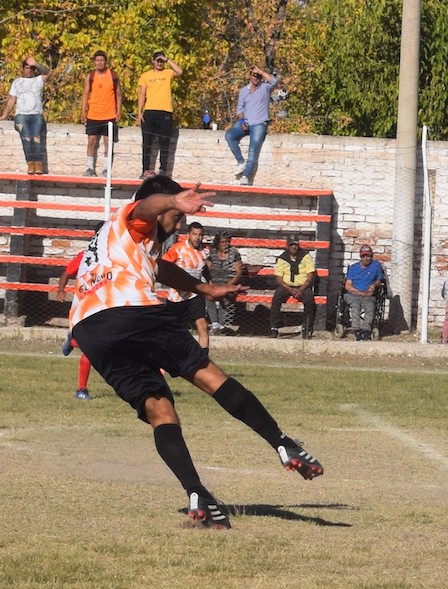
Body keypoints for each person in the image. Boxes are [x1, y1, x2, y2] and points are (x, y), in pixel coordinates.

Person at [68, 176, 323, 529]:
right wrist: (172, 200)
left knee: (159, 408)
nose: (180, 222)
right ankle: (282, 443)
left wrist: (205, 289)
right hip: (129, 309)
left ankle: (197, 493)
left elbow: (162, 268)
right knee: (210, 377)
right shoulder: (135, 217)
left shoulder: (121, 241)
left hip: (89, 328)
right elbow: (145, 207)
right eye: (176, 215)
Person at [225, 65, 279, 185]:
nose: (256, 78)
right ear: (249, 77)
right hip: (245, 122)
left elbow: (274, 80)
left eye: (258, 76)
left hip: (259, 123)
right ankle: (240, 161)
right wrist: (242, 120)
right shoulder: (244, 90)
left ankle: (246, 176)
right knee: (229, 135)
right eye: (254, 76)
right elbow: (239, 109)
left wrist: (260, 71)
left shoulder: (265, 88)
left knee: (253, 151)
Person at [162, 221, 211, 350]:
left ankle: (203, 363)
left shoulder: (205, 251)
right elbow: (163, 266)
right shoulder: (177, 249)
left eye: (200, 235)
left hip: (195, 292)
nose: (197, 237)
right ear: (189, 234)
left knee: (203, 326)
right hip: (176, 295)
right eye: (194, 234)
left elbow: (204, 268)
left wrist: (210, 285)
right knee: (172, 331)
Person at [56, 248, 96, 400]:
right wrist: (60, 290)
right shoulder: (85, 255)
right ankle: (81, 389)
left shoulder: (118, 255)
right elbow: (66, 273)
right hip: (84, 307)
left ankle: (73, 341)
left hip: (105, 304)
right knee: (91, 347)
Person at [0, 56, 51, 174]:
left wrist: (36, 63)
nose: (29, 70)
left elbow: (49, 73)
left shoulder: (38, 80)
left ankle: (38, 164)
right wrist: (4, 115)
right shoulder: (17, 82)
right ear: (23, 69)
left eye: (32, 68)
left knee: (36, 137)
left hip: (36, 114)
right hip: (21, 115)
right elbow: (11, 100)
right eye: (27, 68)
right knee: (26, 138)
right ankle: (30, 163)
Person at [137, 51, 183, 179]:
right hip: (150, 111)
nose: (159, 63)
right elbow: (142, 94)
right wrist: (139, 112)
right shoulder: (146, 76)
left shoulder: (168, 73)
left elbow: (179, 72)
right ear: (153, 61)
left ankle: (163, 171)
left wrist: (167, 59)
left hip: (165, 112)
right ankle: (145, 170)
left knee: (164, 143)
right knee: (147, 142)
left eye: (161, 61)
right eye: (157, 60)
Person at [80, 50, 122, 177]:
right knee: (91, 141)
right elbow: (85, 94)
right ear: (94, 62)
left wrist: (118, 110)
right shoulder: (91, 76)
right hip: (93, 115)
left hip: (109, 115)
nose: (99, 63)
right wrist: (83, 111)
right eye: (97, 60)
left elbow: (119, 94)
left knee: (108, 143)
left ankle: (106, 169)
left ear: (105, 62)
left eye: (102, 60)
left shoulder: (113, 75)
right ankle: (90, 168)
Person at [269, 234, 316, 339]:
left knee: (310, 301)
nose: (294, 247)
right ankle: (274, 328)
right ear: (287, 246)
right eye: (291, 245)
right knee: (276, 298)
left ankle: (307, 327)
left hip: (303, 286)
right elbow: (279, 278)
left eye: (295, 245)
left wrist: (301, 289)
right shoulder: (282, 259)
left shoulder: (305, 256)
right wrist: (289, 289)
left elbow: (310, 275)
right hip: (287, 286)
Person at [344, 245, 385, 341]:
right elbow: (348, 286)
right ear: (360, 257)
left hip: (368, 295)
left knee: (370, 308)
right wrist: (359, 293)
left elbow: (379, 279)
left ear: (372, 256)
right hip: (353, 294)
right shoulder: (354, 268)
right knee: (355, 307)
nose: (366, 258)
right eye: (364, 256)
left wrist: (373, 285)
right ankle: (357, 330)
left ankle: (366, 331)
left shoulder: (376, 266)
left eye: (369, 256)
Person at [206, 231, 243, 333]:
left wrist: (228, 285)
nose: (225, 244)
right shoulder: (212, 252)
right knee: (208, 294)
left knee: (226, 294)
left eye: (227, 242)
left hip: (229, 282)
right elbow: (207, 269)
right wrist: (210, 283)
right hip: (214, 282)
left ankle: (221, 324)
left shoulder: (234, 253)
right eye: (222, 242)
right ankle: (214, 323)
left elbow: (238, 272)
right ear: (217, 243)